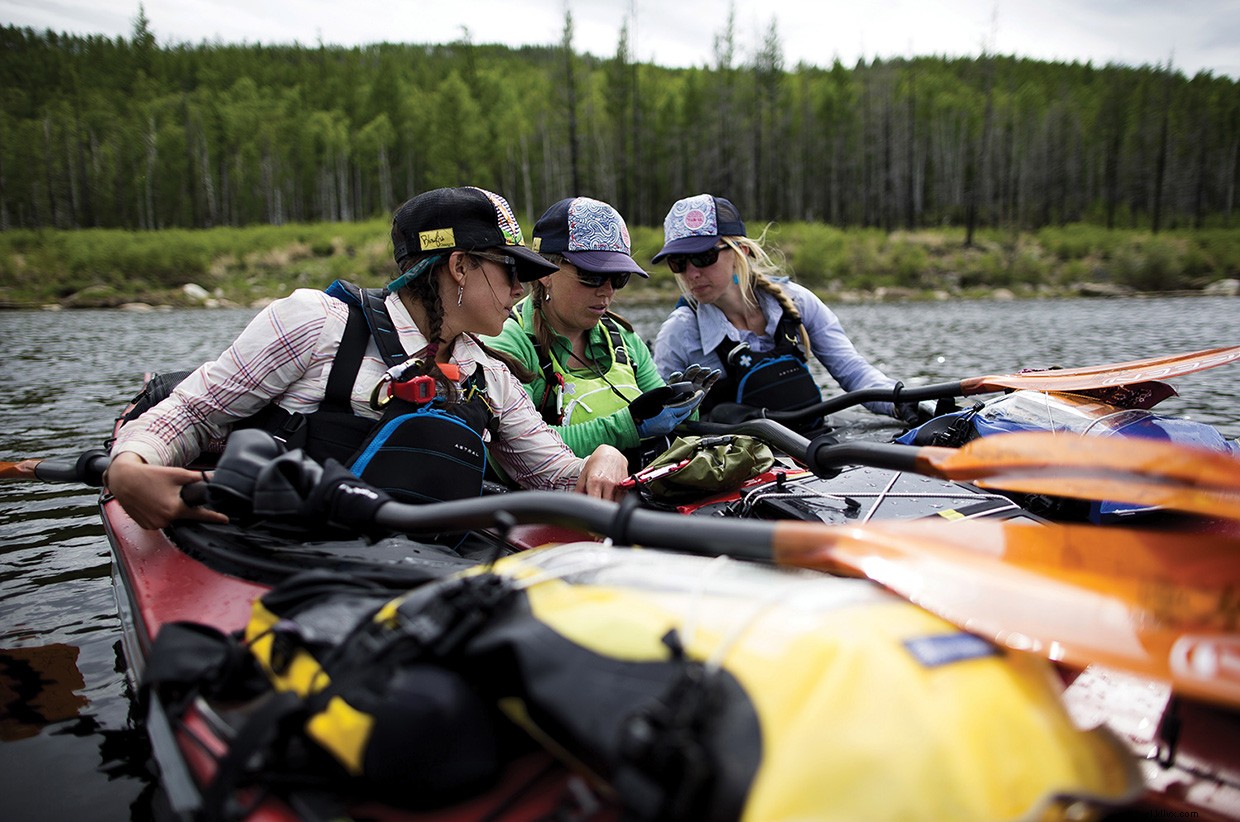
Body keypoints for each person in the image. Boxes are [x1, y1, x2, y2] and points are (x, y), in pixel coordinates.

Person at [107, 186, 630, 530]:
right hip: (280, 552)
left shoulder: (490, 376)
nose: (522, 288)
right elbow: (193, 413)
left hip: (401, 570)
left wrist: (602, 459)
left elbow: (556, 477)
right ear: (460, 266)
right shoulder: (316, 322)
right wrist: (129, 469)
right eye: (513, 270)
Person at [651, 193, 920, 425]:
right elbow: (660, 421)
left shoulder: (797, 302)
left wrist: (905, 404)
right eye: (678, 262)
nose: (692, 273)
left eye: (703, 257)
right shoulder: (678, 333)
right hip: (736, 460)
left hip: (809, 444)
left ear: (741, 251)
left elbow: (854, 372)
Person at [483, 196, 714, 465]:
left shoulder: (625, 339)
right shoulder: (508, 343)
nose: (607, 291)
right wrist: (629, 426)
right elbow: (516, 447)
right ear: (545, 272)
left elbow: (670, 427)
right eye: (592, 276)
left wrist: (684, 407)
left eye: (619, 278)